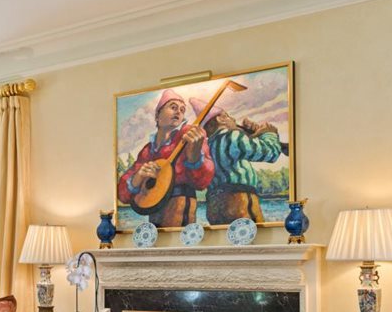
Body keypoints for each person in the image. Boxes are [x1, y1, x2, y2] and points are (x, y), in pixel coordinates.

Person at [117, 89, 214, 227]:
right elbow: (122, 194)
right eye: (173, 107)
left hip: (181, 219)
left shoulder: (189, 134)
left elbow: (203, 182)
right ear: (157, 115)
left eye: (182, 109)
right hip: (154, 225)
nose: (179, 112)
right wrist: (138, 177)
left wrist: (195, 158)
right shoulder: (147, 150)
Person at [189, 97, 284, 225]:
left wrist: (251, 135)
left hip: (213, 206)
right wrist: (269, 133)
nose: (233, 120)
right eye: (228, 116)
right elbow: (270, 153)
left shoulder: (206, 147)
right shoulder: (232, 137)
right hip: (239, 201)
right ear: (220, 119)